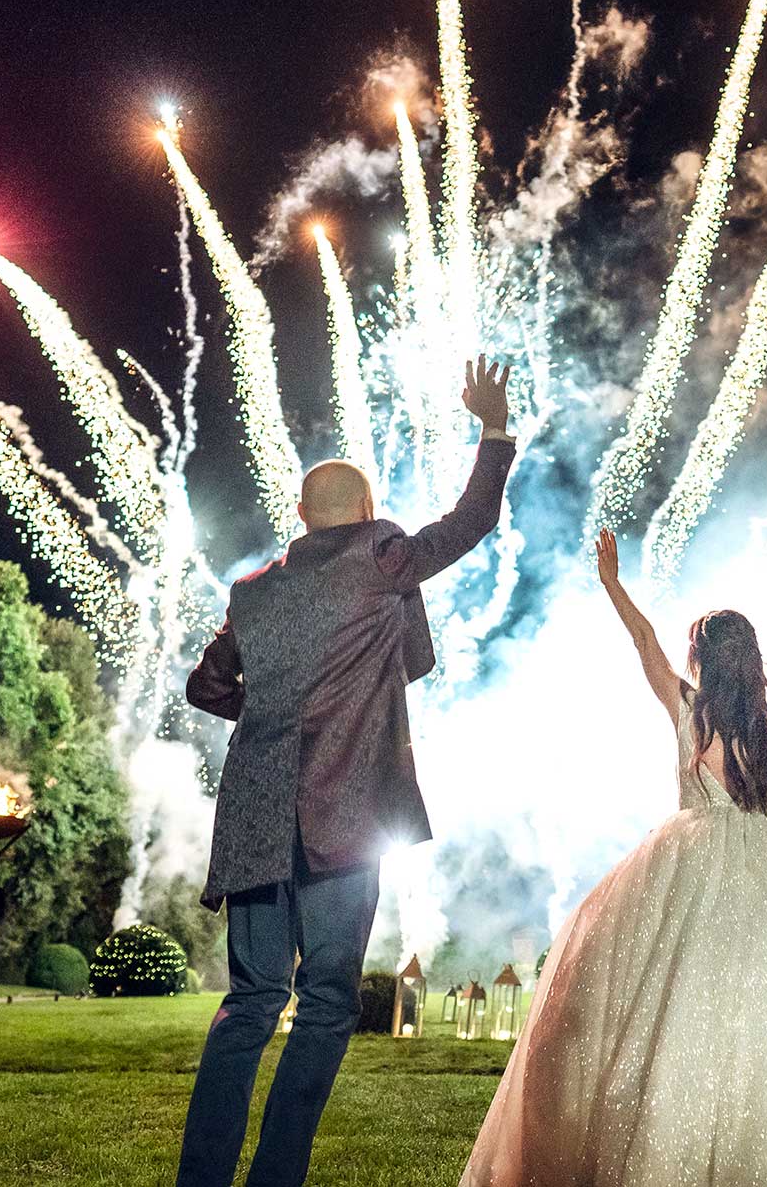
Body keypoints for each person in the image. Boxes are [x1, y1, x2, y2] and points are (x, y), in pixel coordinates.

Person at [459, 530, 767, 1186]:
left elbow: (644, 644)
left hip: (693, 852)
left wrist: (612, 584)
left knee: (671, 988)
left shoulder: (688, 709)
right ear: (752, 659)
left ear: (703, 659)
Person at [177, 356, 517, 1187]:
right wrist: (495, 429)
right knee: (326, 1002)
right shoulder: (381, 556)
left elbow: (206, 685)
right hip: (344, 817)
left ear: (297, 515)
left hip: (256, 817)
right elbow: (469, 521)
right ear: (368, 515)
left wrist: (268, 722)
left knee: (251, 1003)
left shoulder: (252, 590)